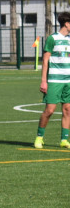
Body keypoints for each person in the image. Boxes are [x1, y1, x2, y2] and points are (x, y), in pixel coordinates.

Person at [34, 11, 70, 149]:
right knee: (50, 110)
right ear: (66, 24)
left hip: (68, 81)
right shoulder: (52, 38)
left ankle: (64, 140)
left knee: (68, 110)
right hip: (55, 80)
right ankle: (39, 137)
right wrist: (44, 81)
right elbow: (45, 59)